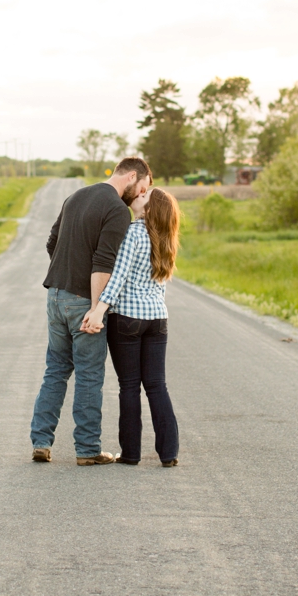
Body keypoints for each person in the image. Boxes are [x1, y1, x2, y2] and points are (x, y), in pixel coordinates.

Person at [30, 156, 152, 465]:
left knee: (56, 369)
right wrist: (97, 309)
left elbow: (52, 243)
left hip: (55, 295)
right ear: (133, 177)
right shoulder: (116, 210)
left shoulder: (77, 195)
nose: (141, 195)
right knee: (89, 374)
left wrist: (67, 272)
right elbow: (102, 265)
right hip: (84, 300)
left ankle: (41, 441)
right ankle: (87, 449)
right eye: (143, 188)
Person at [81, 188, 181, 467]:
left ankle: (132, 454)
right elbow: (160, 287)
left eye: (145, 195)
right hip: (157, 319)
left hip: (127, 318)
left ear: (149, 209)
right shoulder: (166, 238)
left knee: (129, 386)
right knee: (157, 385)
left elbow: (118, 277)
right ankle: (169, 452)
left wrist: (99, 309)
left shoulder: (134, 233)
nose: (139, 194)